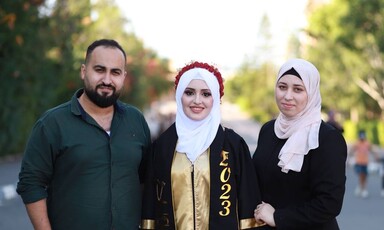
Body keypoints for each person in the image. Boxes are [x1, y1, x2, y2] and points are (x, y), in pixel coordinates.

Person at [16, 39, 151, 230]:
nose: (107, 80)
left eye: (115, 72)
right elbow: (31, 183)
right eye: (99, 69)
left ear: (124, 76)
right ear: (83, 71)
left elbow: (146, 178)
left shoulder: (136, 120)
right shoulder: (53, 123)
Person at [140, 61, 266, 229]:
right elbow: (150, 206)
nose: (197, 101)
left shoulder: (233, 145)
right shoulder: (161, 147)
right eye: (189, 93)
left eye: (206, 94)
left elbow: (248, 204)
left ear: (216, 98)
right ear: (179, 96)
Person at [253, 58, 347, 229]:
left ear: (311, 93)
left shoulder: (326, 138)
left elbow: (329, 204)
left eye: (298, 89)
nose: (288, 96)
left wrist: (278, 217)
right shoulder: (268, 130)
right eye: (282, 87)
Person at [349, 130, 380, 198]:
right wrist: (349, 156)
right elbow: (352, 149)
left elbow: (371, 150)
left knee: (365, 176)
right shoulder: (357, 143)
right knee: (361, 175)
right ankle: (363, 189)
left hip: (365, 162)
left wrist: (376, 156)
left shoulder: (367, 143)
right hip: (359, 162)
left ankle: (361, 187)